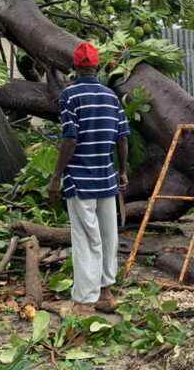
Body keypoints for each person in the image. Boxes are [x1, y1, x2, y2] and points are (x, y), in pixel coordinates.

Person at [48, 41, 130, 315]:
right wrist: (123, 170)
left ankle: (84, 302)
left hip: (80, 179)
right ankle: (105, 293)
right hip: (107, 178)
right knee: (109, 235)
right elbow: (122, 137)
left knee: (86, 237)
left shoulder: (70, 96)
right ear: (97, 67)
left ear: (75, 67)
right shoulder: (111, 97)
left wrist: (56, 177)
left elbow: (69, 138)